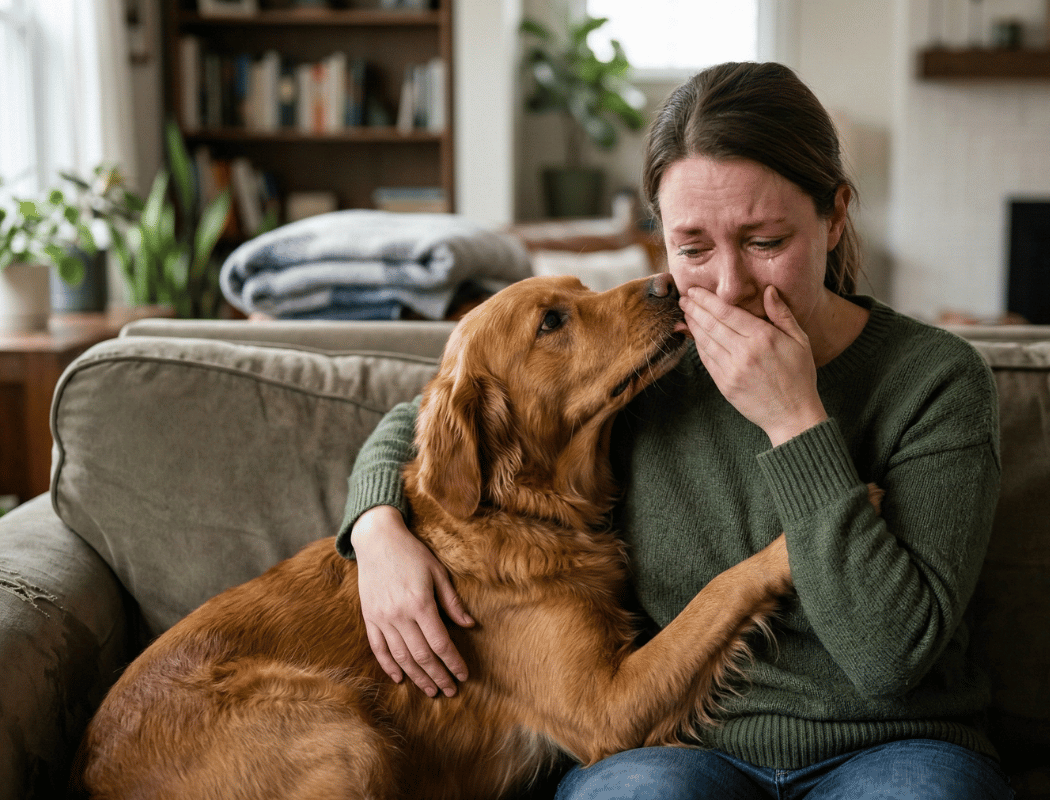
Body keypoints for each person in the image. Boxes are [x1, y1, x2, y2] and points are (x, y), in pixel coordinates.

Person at [337, 61, 1010, 800]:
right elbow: (438, 418)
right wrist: (375, 530)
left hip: (894, 748)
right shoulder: (652, 355)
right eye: (692, 249)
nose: (727, 286)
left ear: (836, 216)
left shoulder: (936, 381)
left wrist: (794, 418)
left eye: (764, 241)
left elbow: (888, 661)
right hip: (680, 749)